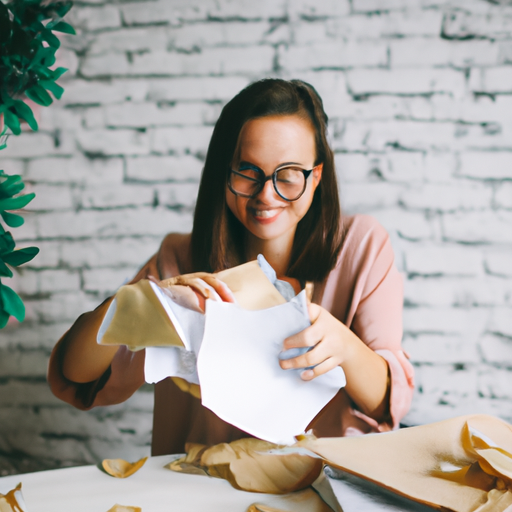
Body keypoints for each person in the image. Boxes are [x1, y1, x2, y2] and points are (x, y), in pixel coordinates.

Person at [48, 79, 414, 456]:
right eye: (247, 172)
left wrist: (346, 348)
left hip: (321, 488)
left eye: (287, 175)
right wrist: (134, 301)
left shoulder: (362, 246)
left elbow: (386, 404)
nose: (266, 195)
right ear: (224, 172)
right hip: (205, 488)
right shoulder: (182, 259)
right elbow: (78, 375)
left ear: (316, 176)